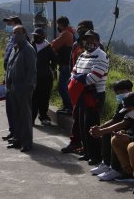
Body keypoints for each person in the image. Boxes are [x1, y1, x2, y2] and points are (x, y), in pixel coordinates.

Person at [70, 30, 109, 165]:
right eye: (87, 40)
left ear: (97, 42)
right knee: (82, 124)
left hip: (94, 95)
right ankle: (87, 152)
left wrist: (77, 82)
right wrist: (77, 80)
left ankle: (95, 156)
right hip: (82, 94)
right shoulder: (82, 55)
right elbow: (74, 71)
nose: (89, 43)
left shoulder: (101, 56)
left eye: (92, 40)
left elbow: (95, 76)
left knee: (91, 125)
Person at [89, 79, 134, 181]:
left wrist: (102, 130)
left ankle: (115, 168)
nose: (118, 96)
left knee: (114, 136)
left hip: (133, 131)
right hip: (126, 129)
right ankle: (106, 163)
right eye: (116, 93)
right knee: (107, 133)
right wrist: (100, 128)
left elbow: (125, 123)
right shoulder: (123, 102)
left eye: (119, 93)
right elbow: (115, 119)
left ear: (128, 90)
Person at [60, 19, 95, 154]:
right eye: (79, 28)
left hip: (89, 87)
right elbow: (71, 63)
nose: (80, 30)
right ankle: (75, 143)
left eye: (83, 28)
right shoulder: (75, 45)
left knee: (88, 118)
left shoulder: (95, 46)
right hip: (76, 86)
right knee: (77, 116)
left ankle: (88, 148)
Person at [5, 25, 37, 152]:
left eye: (18, 32)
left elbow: (31, 71)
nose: (15, 35)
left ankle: (27, 142)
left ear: (24, 34)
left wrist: (26, 86)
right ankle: (17, 140)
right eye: (14, 33)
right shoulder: (14, 48)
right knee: (15, 115)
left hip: (23, 89)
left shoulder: (28, 49)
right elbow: (9, 67)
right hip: (12, 88)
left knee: (25, 116)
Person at [1, 15, 22, 141]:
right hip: (9, 77)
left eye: (10, 23)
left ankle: (18, 135)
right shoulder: (11, 38)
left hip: (17, 81)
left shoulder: (21, 40)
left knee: (16, 109)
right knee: (9, 108)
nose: (8, 26)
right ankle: (12, 131)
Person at [31, 28, 56, 126]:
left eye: (38, 36)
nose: (36, 37)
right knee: (33, 98)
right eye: (35, 35)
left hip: (45, 77)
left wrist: (52, 70)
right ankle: (31, 118)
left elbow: (54, 60)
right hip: (32, 77)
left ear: (43, 37)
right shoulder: (30, 46)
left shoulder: (48, 47)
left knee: (44, 98)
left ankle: (43, 116)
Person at [51, 16, 75, 115]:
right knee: (65, 86)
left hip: (66, 64)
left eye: (58, 25)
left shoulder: (66, 33)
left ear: (60, 24)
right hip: (67, 63)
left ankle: (69, 107)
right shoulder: (71, 32)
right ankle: (68, 107)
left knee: (63, 87)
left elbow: (54, 44)